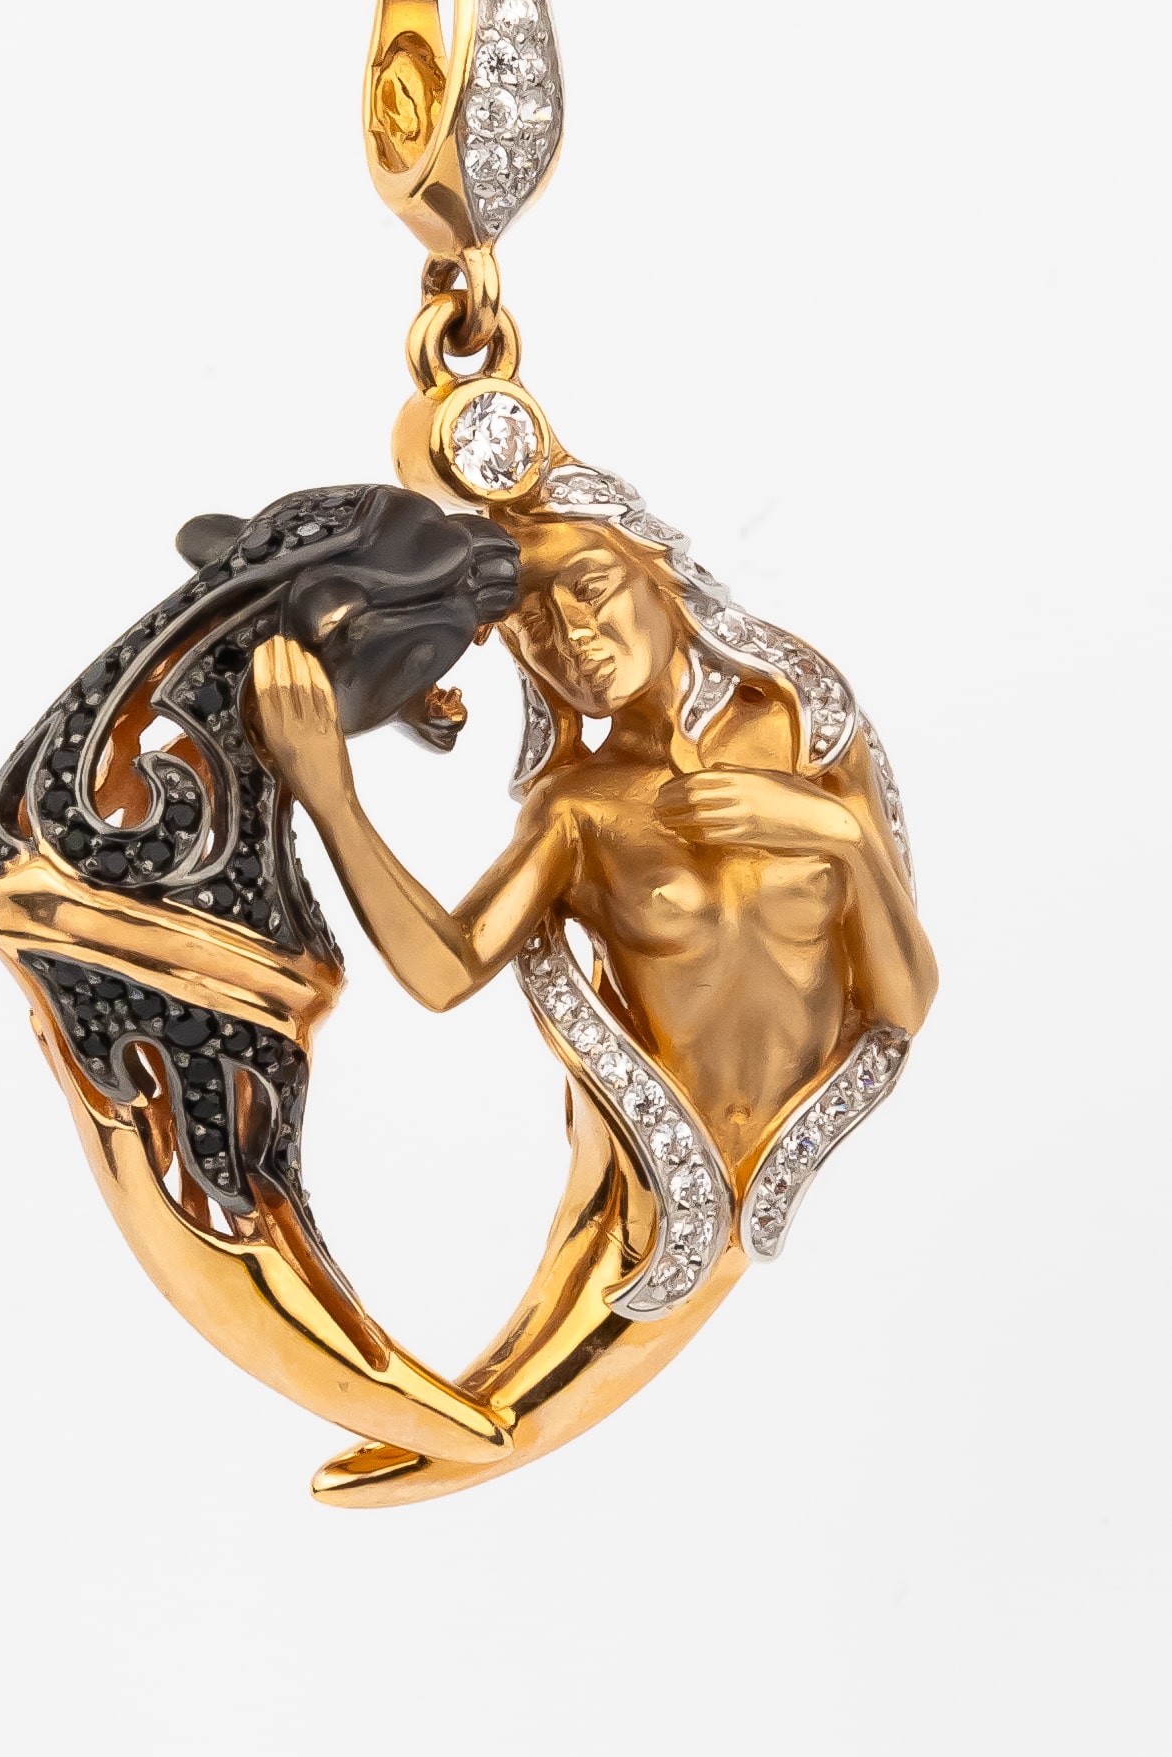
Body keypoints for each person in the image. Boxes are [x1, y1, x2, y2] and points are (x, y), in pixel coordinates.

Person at [252, 474, 938, 1505]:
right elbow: (443, 971)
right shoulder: (577, 811)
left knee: (493, 1426)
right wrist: (328, 793)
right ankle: (441, 1425)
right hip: (645, 1185)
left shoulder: (803, 730)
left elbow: (902, 1006)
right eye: (528, 627)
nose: (568, 637)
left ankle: (453, 1433)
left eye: (586, 586)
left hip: (773, 1147)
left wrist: (837, 834)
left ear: (660, 576)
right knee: (496, 1419)